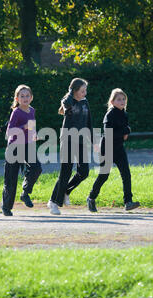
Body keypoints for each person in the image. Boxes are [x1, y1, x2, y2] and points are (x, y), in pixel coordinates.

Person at [87, 88, 140, 212]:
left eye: (123, 99)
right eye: (119, 99)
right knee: (104, 176)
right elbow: (109, 134)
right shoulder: (110, 115)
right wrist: (126, 131)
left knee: (126, 174)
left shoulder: (124, 114)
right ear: (112, 101)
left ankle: (128, 202)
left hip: (119, 148)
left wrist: (125, 132)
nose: (122, 101)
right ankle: (91, 198)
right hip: (107, 148)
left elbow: (124, 135)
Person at [47, 78, 94, 215]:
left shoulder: (85, 102)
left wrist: (93, 141)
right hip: (67, 139)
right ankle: (54, 203)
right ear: (74, 91)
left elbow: (89, 122)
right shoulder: (69, 101)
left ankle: (66, 191)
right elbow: (66, 103)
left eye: (86, 90)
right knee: (65, 172)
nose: (85, 93)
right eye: (82, 91)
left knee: (84, 172)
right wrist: (69, 93)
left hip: (81, 140)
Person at [1, 85, 42, 216]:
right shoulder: (16, 112)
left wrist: (34, 135)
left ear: (31, 97)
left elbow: (32, 127)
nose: (25, 98)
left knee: (36, 168)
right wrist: (24, 127)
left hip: (28, 145)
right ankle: (6, 207)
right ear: (17, 99)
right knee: (11, 179)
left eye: (27, 96)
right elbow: (9, 131)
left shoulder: (32, 111)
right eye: (22, 96)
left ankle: (25, 192)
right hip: (14, 147)